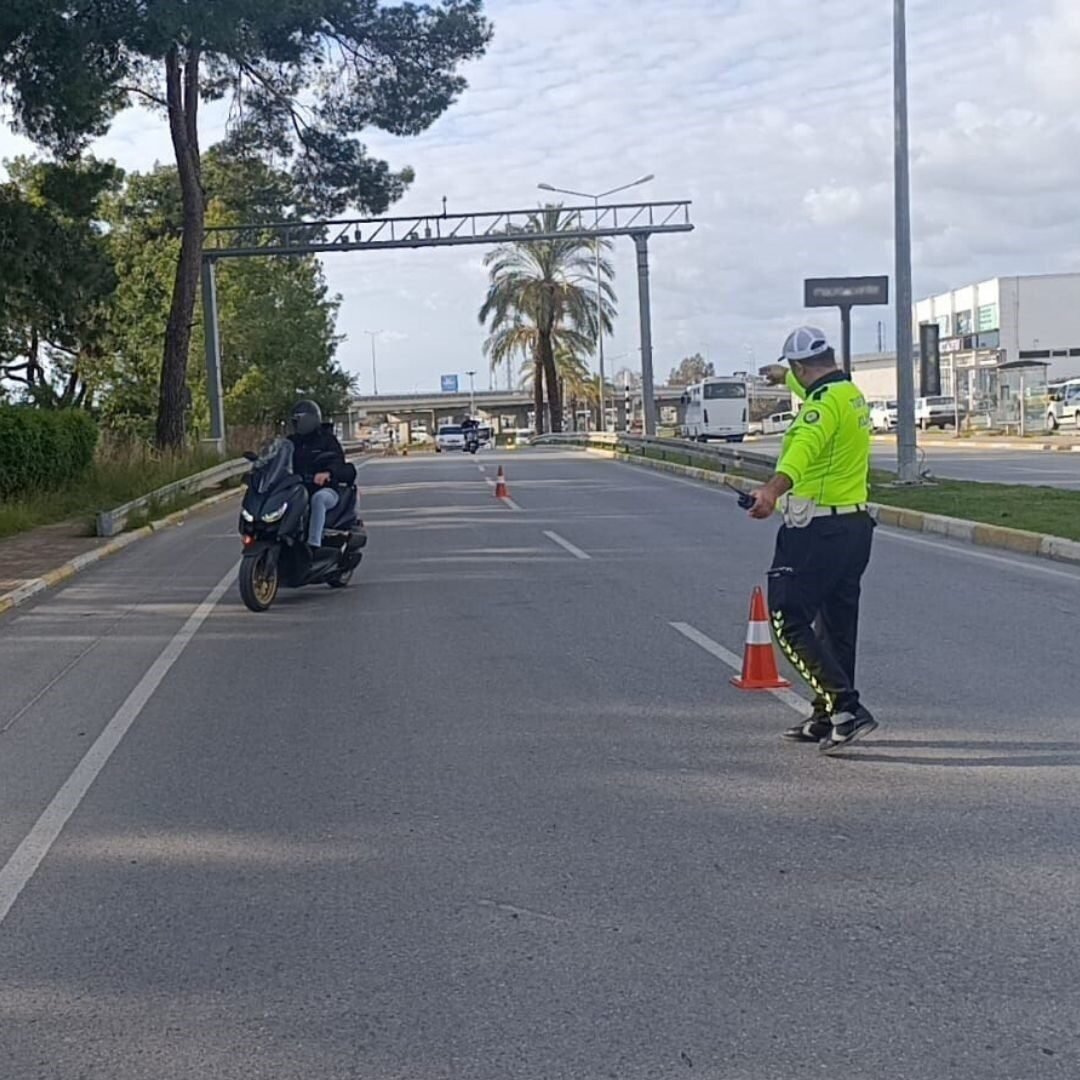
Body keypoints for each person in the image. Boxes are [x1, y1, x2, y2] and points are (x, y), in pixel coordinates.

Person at [749, 327, 877, 755]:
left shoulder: (819, 410)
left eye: (792, 371)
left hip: (815, 530)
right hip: (854, 527)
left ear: (802, 367)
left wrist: (770, 492)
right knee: (836, 627)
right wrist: (781, 377)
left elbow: (801, 451)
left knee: (786, 618)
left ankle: (846, 707)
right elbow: (815, 382)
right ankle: (827, 716)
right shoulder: (850, 394)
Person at [287, 400, 350, 549]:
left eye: (300, 419)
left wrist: (327, 472)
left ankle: (313, 544)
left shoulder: (327, 440)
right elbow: (279, 459)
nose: (297, 423)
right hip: (296, 490)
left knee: (318, 499)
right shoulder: (291, 442)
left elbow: (338, 460)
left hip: (325, 489)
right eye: (295, 420)